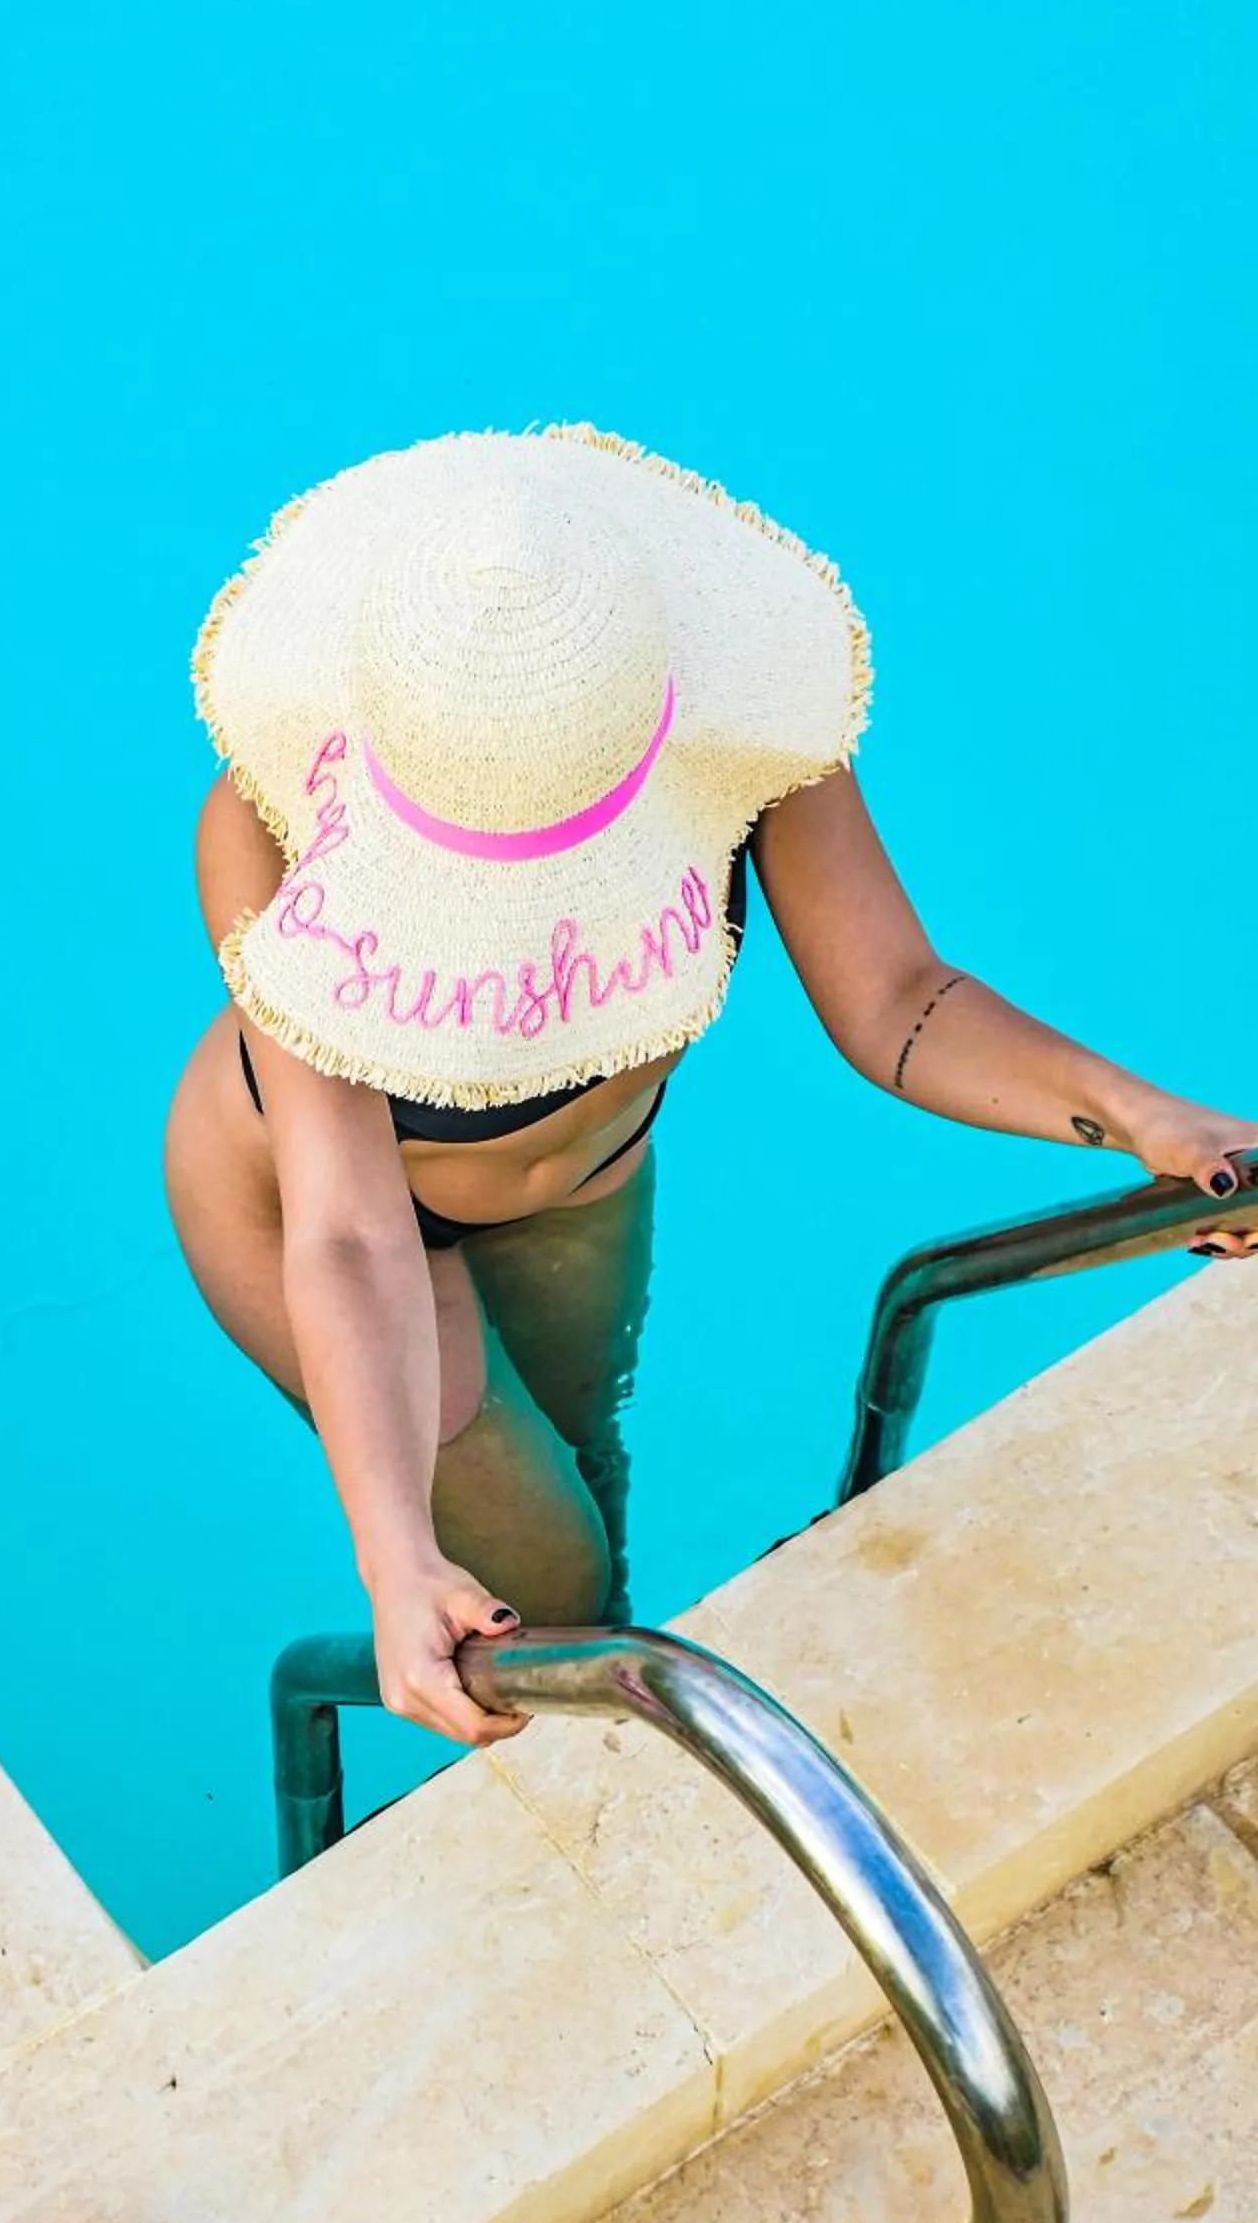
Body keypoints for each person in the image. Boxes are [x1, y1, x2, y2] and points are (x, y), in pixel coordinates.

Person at [164, 424, 1254, 1754]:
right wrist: (392, 1564)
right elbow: (348, 1228)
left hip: (585, 1182)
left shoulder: (740, 739)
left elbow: (897, 998)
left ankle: (601, 1746)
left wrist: (1147, 1117)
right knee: (542, 1590)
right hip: (309, 1205)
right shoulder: (273, 830)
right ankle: (564, 1777)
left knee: (591, 1487)